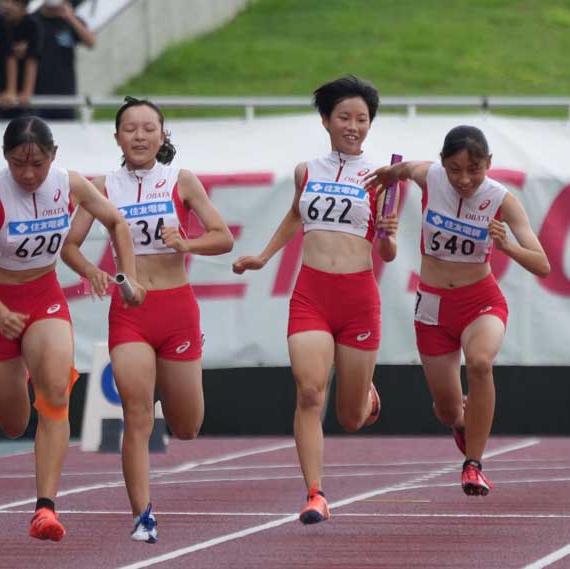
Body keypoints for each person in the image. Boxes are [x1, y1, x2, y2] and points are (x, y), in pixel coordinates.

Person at [0, 115, 144, 541]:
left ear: (53, 157)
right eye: (18, 163)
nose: (28, 174)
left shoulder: (70, 183)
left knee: (56, 392)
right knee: (13, 421)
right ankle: (17, 370)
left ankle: (45, 508)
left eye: (37, 164)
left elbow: (116, 221)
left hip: (43, 297)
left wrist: (127, 277)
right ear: (5, 159)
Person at [61, 96, 234, 543]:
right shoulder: (101, 185)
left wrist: (187, 244)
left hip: (177, 310)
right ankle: (143, 516)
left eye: (147, 128)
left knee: (187, 427)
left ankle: (177, 385)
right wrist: (93, 273)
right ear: (117, 137)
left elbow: (224, 237)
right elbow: (70, 246)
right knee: (136, 414)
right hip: (131, 312)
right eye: (130, 129)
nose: (139, 136)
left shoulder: (182, 180)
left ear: (162, 134)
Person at [232, 75, 398, 524]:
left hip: (359, 297)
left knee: (349, 418)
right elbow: (294, 215)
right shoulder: (307, 171)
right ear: (326, 120)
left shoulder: (383, 178)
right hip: (312, 294)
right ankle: (314, 493)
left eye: (362, 119)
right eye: (344, 117)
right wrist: (263, 258)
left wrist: (388, 236)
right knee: (308, 392)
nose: (353, 126)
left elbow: (387, 251)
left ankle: (365, 397)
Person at [363, 125, 550, 496]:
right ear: (443, 164)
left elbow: (542, 264)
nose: (465, 179)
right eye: (455, 169)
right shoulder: (430, 176)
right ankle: (463, 419)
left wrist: (507, 247)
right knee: (447, 411)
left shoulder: (501, 200)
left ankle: (473, 465)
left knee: (480, 363)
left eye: (475, 169)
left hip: (481, 301)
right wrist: (390, 173)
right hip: (433, 306)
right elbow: (405, 169)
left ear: (489, 164)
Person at [34, 0, 96, 120]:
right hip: (37, 98)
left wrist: (71, 18)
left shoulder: (71, 20)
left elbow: (91, 42)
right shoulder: (33, 20)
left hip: (66, 95)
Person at [0, 0, 42, 114]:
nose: (8, 6)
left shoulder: (31, 25)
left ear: (24, 7)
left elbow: (32, 60)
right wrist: (10, 90)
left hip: (22, 90)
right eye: (5, 2)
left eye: (14, 3)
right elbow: (9, 55)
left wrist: (27, 92)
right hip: (0, 90)